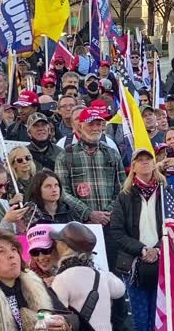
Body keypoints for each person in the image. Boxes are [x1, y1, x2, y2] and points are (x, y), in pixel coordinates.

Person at [0, 229, 80, 330]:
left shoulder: (36, 284)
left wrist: (64, 323)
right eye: (1, 252)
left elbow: (72, 318)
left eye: (14, 250)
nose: (11, 255)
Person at [111, 149, 174, 330]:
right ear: (133, 166)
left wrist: (157, 249)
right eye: (139, 160)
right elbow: (117, 231)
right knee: (140, 319)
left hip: (163, 261)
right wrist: (142, 249)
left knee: (162, 318)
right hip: (133, 264)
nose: (145, 163)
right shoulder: (124, 196)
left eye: (148, 159)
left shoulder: (166, 193)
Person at [54, 106, 126, 270]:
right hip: (80, 227)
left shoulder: (112, 154)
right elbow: (62, 191)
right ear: (80, 126)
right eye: (90, 124)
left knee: (112, 273)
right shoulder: (65, 155)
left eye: (99, 124)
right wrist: (88, 213)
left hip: (110, 226)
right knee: (84, 271)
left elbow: (123, 187)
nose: (95, 128)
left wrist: (108, 212)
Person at [51, 222, 126, 330]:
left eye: (57, 242)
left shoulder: (62, 279)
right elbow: (120, 290)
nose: (55, 245)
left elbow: (57, 318)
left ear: (64, 246)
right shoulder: (102, 276)